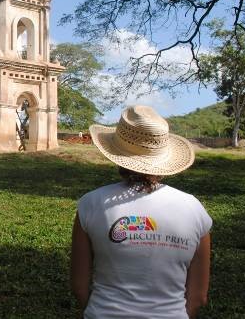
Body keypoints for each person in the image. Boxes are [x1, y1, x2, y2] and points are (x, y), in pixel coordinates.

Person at [70, 105, 212, 318]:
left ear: (115, 155)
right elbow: (199, 296)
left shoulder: (91, 203)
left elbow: (79, 287)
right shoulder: (193, 208)